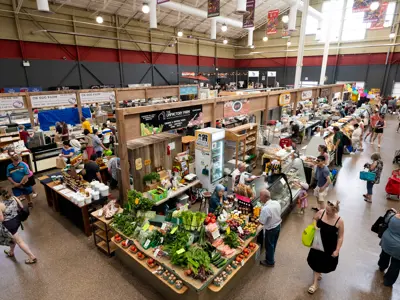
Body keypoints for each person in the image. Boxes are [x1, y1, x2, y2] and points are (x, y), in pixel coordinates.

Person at [307, 200, 344, 294]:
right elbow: (314, 218)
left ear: (335, 211)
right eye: (326, 210)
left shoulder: (339, 221)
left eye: (329, 211)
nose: (326, 212)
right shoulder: (321, 212)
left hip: (329, 247)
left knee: (323, 263)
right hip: (317, 243)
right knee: (316, 262)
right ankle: (315, 284)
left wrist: (337, 250)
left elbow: (340, 237)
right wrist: (314, 226)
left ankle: (318, 272)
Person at [0, 188, 37, 264]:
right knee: (13, 238)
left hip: (9, 225)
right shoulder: (14, 198)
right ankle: (11, 252)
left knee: (19, 241)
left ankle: (32, 257)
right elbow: (21, 207)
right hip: (17, 221)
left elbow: (1, 219)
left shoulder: (1, 205)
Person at [258, 189, 282, 267]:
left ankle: (270, 262)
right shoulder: (276, 203)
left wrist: (257, 219)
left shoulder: (266, 209)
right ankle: (271, 256)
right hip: (278, 226)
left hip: (271, 229)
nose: (259, 198)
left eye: (260, 196)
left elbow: (262, 222)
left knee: (269, 245)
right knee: (273, 243)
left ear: (264, 197)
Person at [378, 208, 400, 287]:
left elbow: (385, 220)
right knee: (396, 264)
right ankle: (388, 281)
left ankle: (382, 266)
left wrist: (391, 211)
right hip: (398, 249)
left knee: (384, 255)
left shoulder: (392, 216)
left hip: (387, 241)